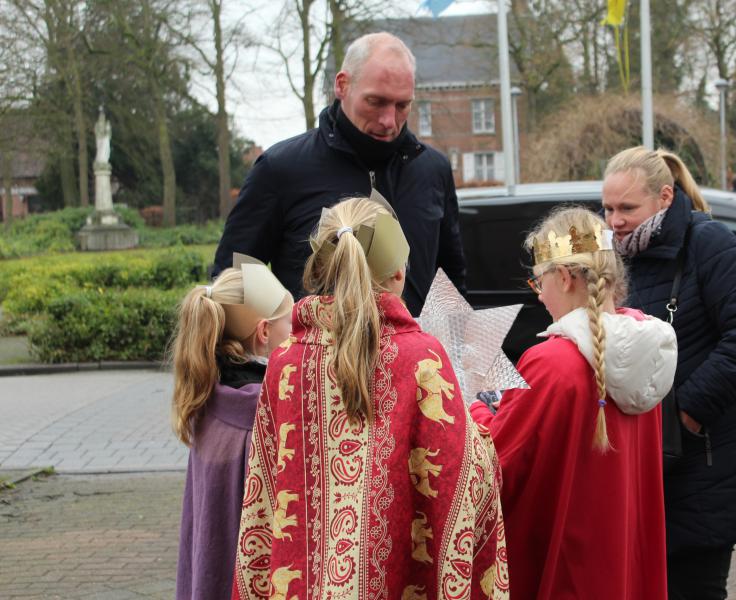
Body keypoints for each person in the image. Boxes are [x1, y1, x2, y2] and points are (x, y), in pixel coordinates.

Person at [232, 196, 508, 600]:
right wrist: (479, 427)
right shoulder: (423, 357)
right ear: (400, 270)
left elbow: (263, 487)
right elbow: (460, 481)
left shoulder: (285, 361)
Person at [470, 206, 677, 599]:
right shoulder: (644, 348)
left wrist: (476, 405)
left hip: (566, 570)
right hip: (621, 568)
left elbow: (497, 467)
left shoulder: (553, 363)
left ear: (563, 277)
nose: (541, 296)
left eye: (538, 282)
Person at [602, 146, 736, 600]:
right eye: (607, 208)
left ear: (664, 197)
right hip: (645, 464)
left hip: (703, 468)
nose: (614, 220)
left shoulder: (709, 243)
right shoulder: (615, 256)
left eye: (626, 208)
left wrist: (687, 414)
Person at [212, 32, 465, 317]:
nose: (388, 120)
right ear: (342, 85)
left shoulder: (433, 170)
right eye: (376, 102)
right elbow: (233, 281)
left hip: (415, 359)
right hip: (315, 360)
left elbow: (453, 279)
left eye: (402, 105)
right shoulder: (280, 169)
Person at [173, 255, 294, 600]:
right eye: (290, 323)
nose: (297, 332)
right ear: (265, 332)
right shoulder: (264, 411)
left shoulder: (208, 395)